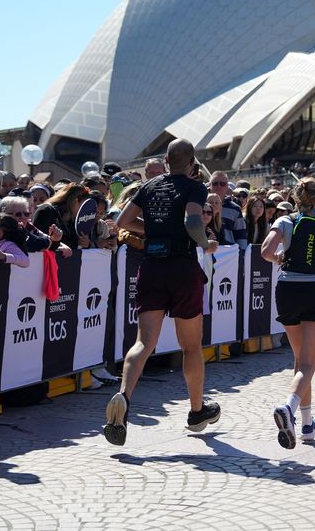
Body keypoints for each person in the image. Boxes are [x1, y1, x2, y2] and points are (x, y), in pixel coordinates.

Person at [103, 138, 221, 446]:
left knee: (144, 342)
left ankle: (123, 397)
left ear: (166, 161)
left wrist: (155, 229)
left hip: (152, 266)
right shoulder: (195, 187)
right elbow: (192, 219)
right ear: (192, 162)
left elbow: (122, 221)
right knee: (191, 346)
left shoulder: (149, 186)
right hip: (182, 268)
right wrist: (203, 242)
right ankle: (197, 412)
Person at [261, 177, 315, 449]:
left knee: (301, 361)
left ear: (296, 197)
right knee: (309, 364)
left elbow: (265, 251)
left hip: (288, 289)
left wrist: (280, 258)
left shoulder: (286, 221)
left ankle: (307, 423)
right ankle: (288, 408)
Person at [33, 183, 90, 251]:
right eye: (84, 205)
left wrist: (86, 244)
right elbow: (37, 239)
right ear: (76, 201)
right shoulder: (46, 211)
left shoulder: (74, 219)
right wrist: (59, 247)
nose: (85, 210)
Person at [209, 171, 247, 249]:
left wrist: (241, 255)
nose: (218, 186)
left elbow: (240, 235)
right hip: (205, 252)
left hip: (228, 254)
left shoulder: (235, 209)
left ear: (227, 186)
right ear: (210, 185)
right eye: (215, 183)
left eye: (222, 184)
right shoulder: (200, 205)